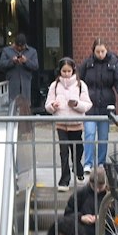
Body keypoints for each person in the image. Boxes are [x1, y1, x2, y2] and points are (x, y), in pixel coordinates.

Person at [78, 39, 118, 173]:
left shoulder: (113, 64)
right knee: (89, 133)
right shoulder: (87, 64)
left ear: (107, 50)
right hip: (90, 105)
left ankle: (101, 163)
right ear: (93, 51)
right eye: (97, 51)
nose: (100, 54)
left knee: (103, 136)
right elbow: (77, 80)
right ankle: (88, 163)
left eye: (102, 51)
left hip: (106, 106)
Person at [46, 166, 108, 235]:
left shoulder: (111, 198)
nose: (97, 190)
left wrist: (104, 220)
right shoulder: (80, 194)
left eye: (100, 187)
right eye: (94, 186)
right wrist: (81, 218)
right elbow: (68, 215)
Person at [45, 56, 90, 184]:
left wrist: (76, 104)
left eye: (68, 71)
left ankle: (78, 168)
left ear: (73, 70)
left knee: (77, 149)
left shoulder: (81, 85)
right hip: (61, 123)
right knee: (63, 152)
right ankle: (64, 179)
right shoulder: (54, 86)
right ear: (60, 71)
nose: (66, 74)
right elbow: (47, 105)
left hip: (76, 123)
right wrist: (52, 106)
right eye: (63, 71)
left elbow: (87, 104)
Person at [0, 33, 36, 114]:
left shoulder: (32, 51)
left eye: (21, 46)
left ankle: (25, 124)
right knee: (12, 104)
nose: (19, 48)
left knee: (26, 105)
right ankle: (13, 123)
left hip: (25, 82)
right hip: (12, 82)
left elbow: (35, 66)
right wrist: (12, 61)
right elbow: (1, 64)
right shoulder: (6, 51)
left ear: (25, 45)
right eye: (17, 46)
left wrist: (26, 61)